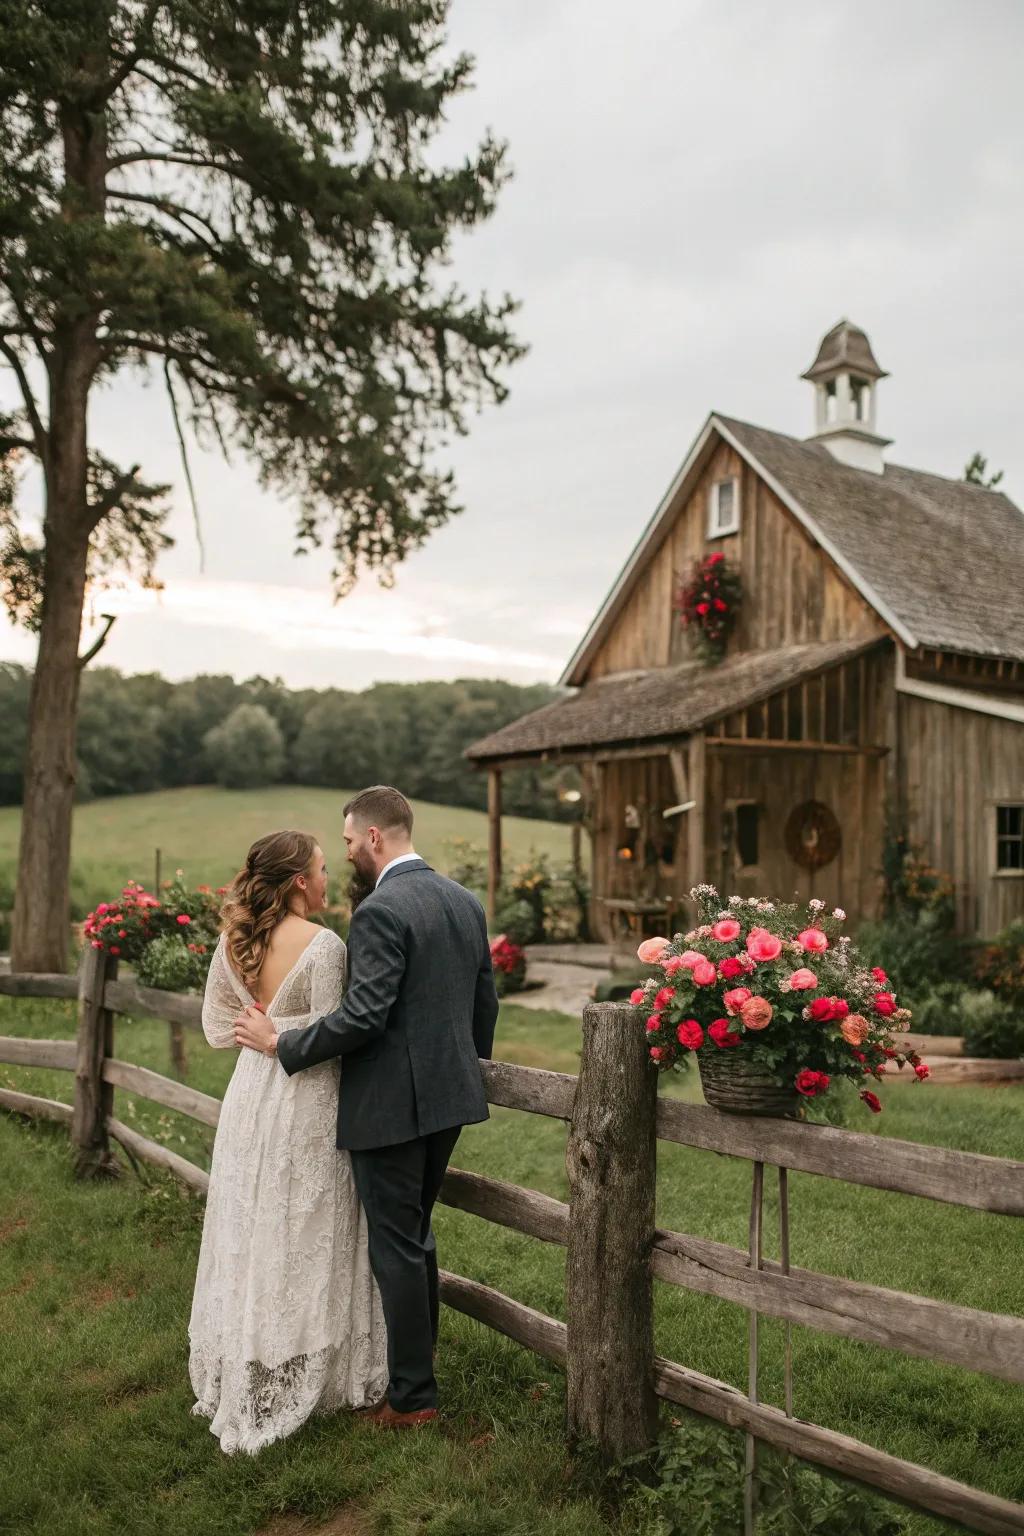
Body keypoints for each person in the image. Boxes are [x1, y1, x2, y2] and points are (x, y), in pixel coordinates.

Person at [233, 785, 499, 1429]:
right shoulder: (463, 900)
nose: (347, 852)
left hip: (390, 1105)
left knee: (396, 1244)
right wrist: (464, 1072)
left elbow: (365, 1016)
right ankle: (420, 1368)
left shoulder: (382, 909)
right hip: (450, 1098)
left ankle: (412, 1399)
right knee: (416, 1235)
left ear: (374, 838)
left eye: (350, 841)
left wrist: (283, 1042)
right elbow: (484, 1004)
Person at [189, 830, 386, 1455]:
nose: (330, 878)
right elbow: (338, 1035)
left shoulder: (235, 941)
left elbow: (221, 1027)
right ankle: (310, 1367)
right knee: (307, 1225)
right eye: (323, 869)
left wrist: (270, 1027)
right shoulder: (324, 945)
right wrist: (291, 1030)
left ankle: (251, 1357)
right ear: (300, 880)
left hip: (250, 1095)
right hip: (308, 1098)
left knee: (255, 1225)